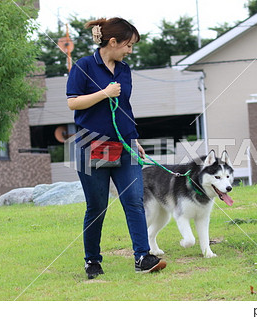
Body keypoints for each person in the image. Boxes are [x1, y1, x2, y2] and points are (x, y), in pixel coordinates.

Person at [66, 17, 166, 279]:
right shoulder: (83, 66)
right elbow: (73, 104)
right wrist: (104, 93)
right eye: (129, 45)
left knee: (134, 201)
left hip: (124, 146)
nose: (130, 51)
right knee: (97, 206)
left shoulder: (125, 69)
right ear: (113, 42)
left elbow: (125, 108)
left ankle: (143, 257)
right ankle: (92, 261)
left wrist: (134, 140)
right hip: (92, 147)